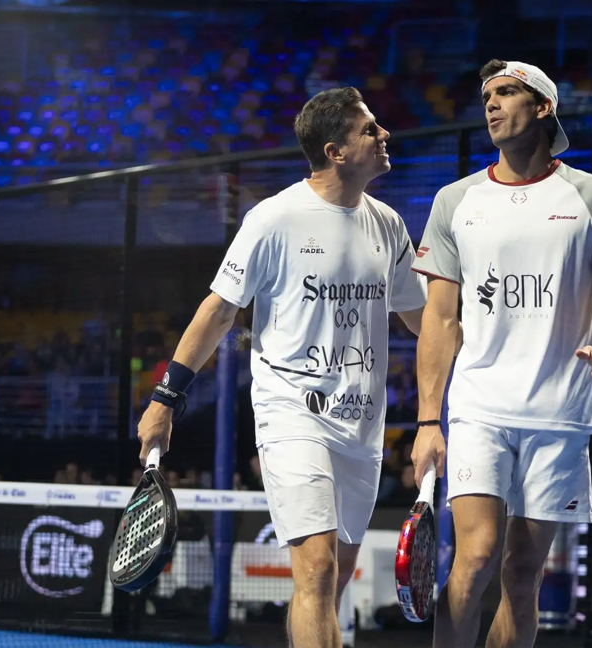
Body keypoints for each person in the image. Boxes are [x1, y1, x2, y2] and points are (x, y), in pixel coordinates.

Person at [136, 87, 426, 648]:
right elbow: (219, 310)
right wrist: (164, 398)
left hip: (361, 423)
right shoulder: (273, 218)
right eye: (370, 129)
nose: (385, 135)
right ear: (335, 150)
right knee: (315, 570)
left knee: (330, 584)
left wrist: (490, 345)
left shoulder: (388, 224)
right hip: (293, 413)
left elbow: (421, 320)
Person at [411, 59, 592, 648]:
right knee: (475, 556)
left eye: (508, 93)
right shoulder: (454, 200)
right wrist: (426, 420)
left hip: (560, 412)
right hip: (479, 407)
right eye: (487, 95)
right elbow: (439, 320)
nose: (492, 104)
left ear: (543, 107)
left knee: (522, 574)